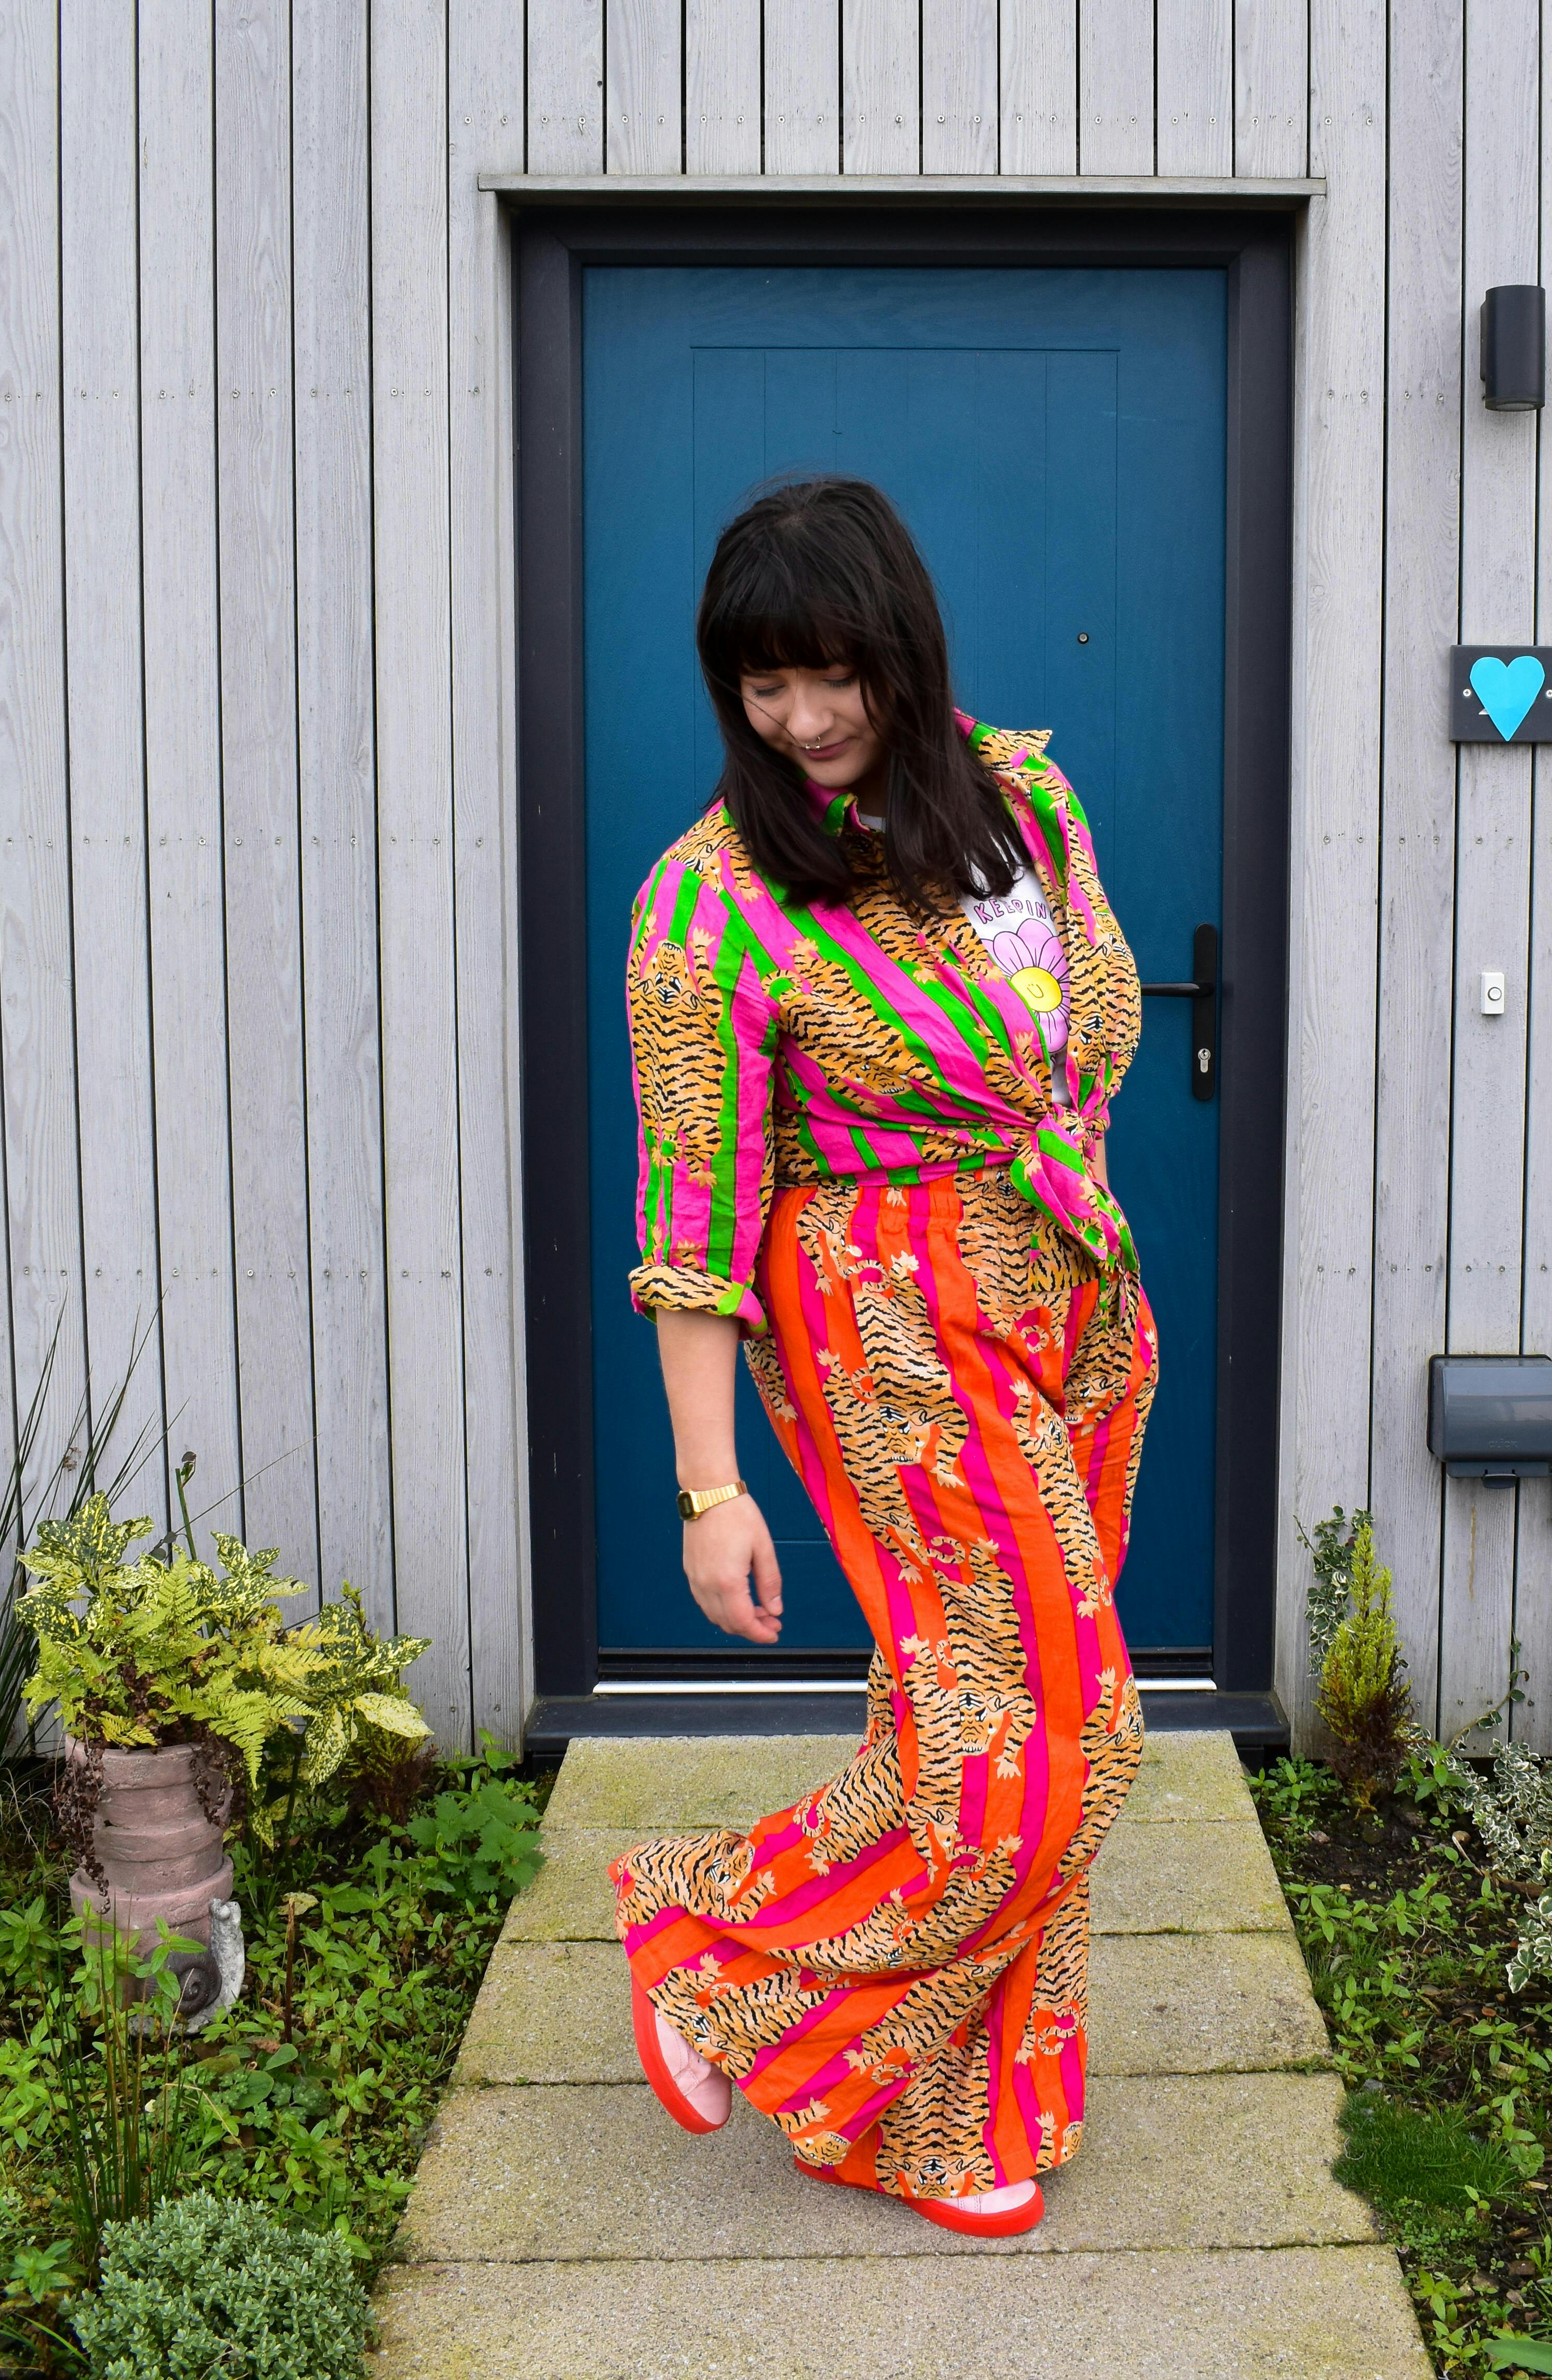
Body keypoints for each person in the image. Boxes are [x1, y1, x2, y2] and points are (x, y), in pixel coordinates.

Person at [610, 475, 1156, 2239]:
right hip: (893, 1322)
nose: (803, 717)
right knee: (1060, 1738)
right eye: (762, 684)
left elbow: (1083, 1043)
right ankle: (712, 1944)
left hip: (1066, 1292)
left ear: (900, 646)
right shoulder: (708, 906)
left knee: (971, 1722)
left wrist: (1056, 1230)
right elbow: (690, 1225)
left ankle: (933, 2115)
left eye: (831, 670)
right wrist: (710, 1488)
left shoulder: (1026, 799)